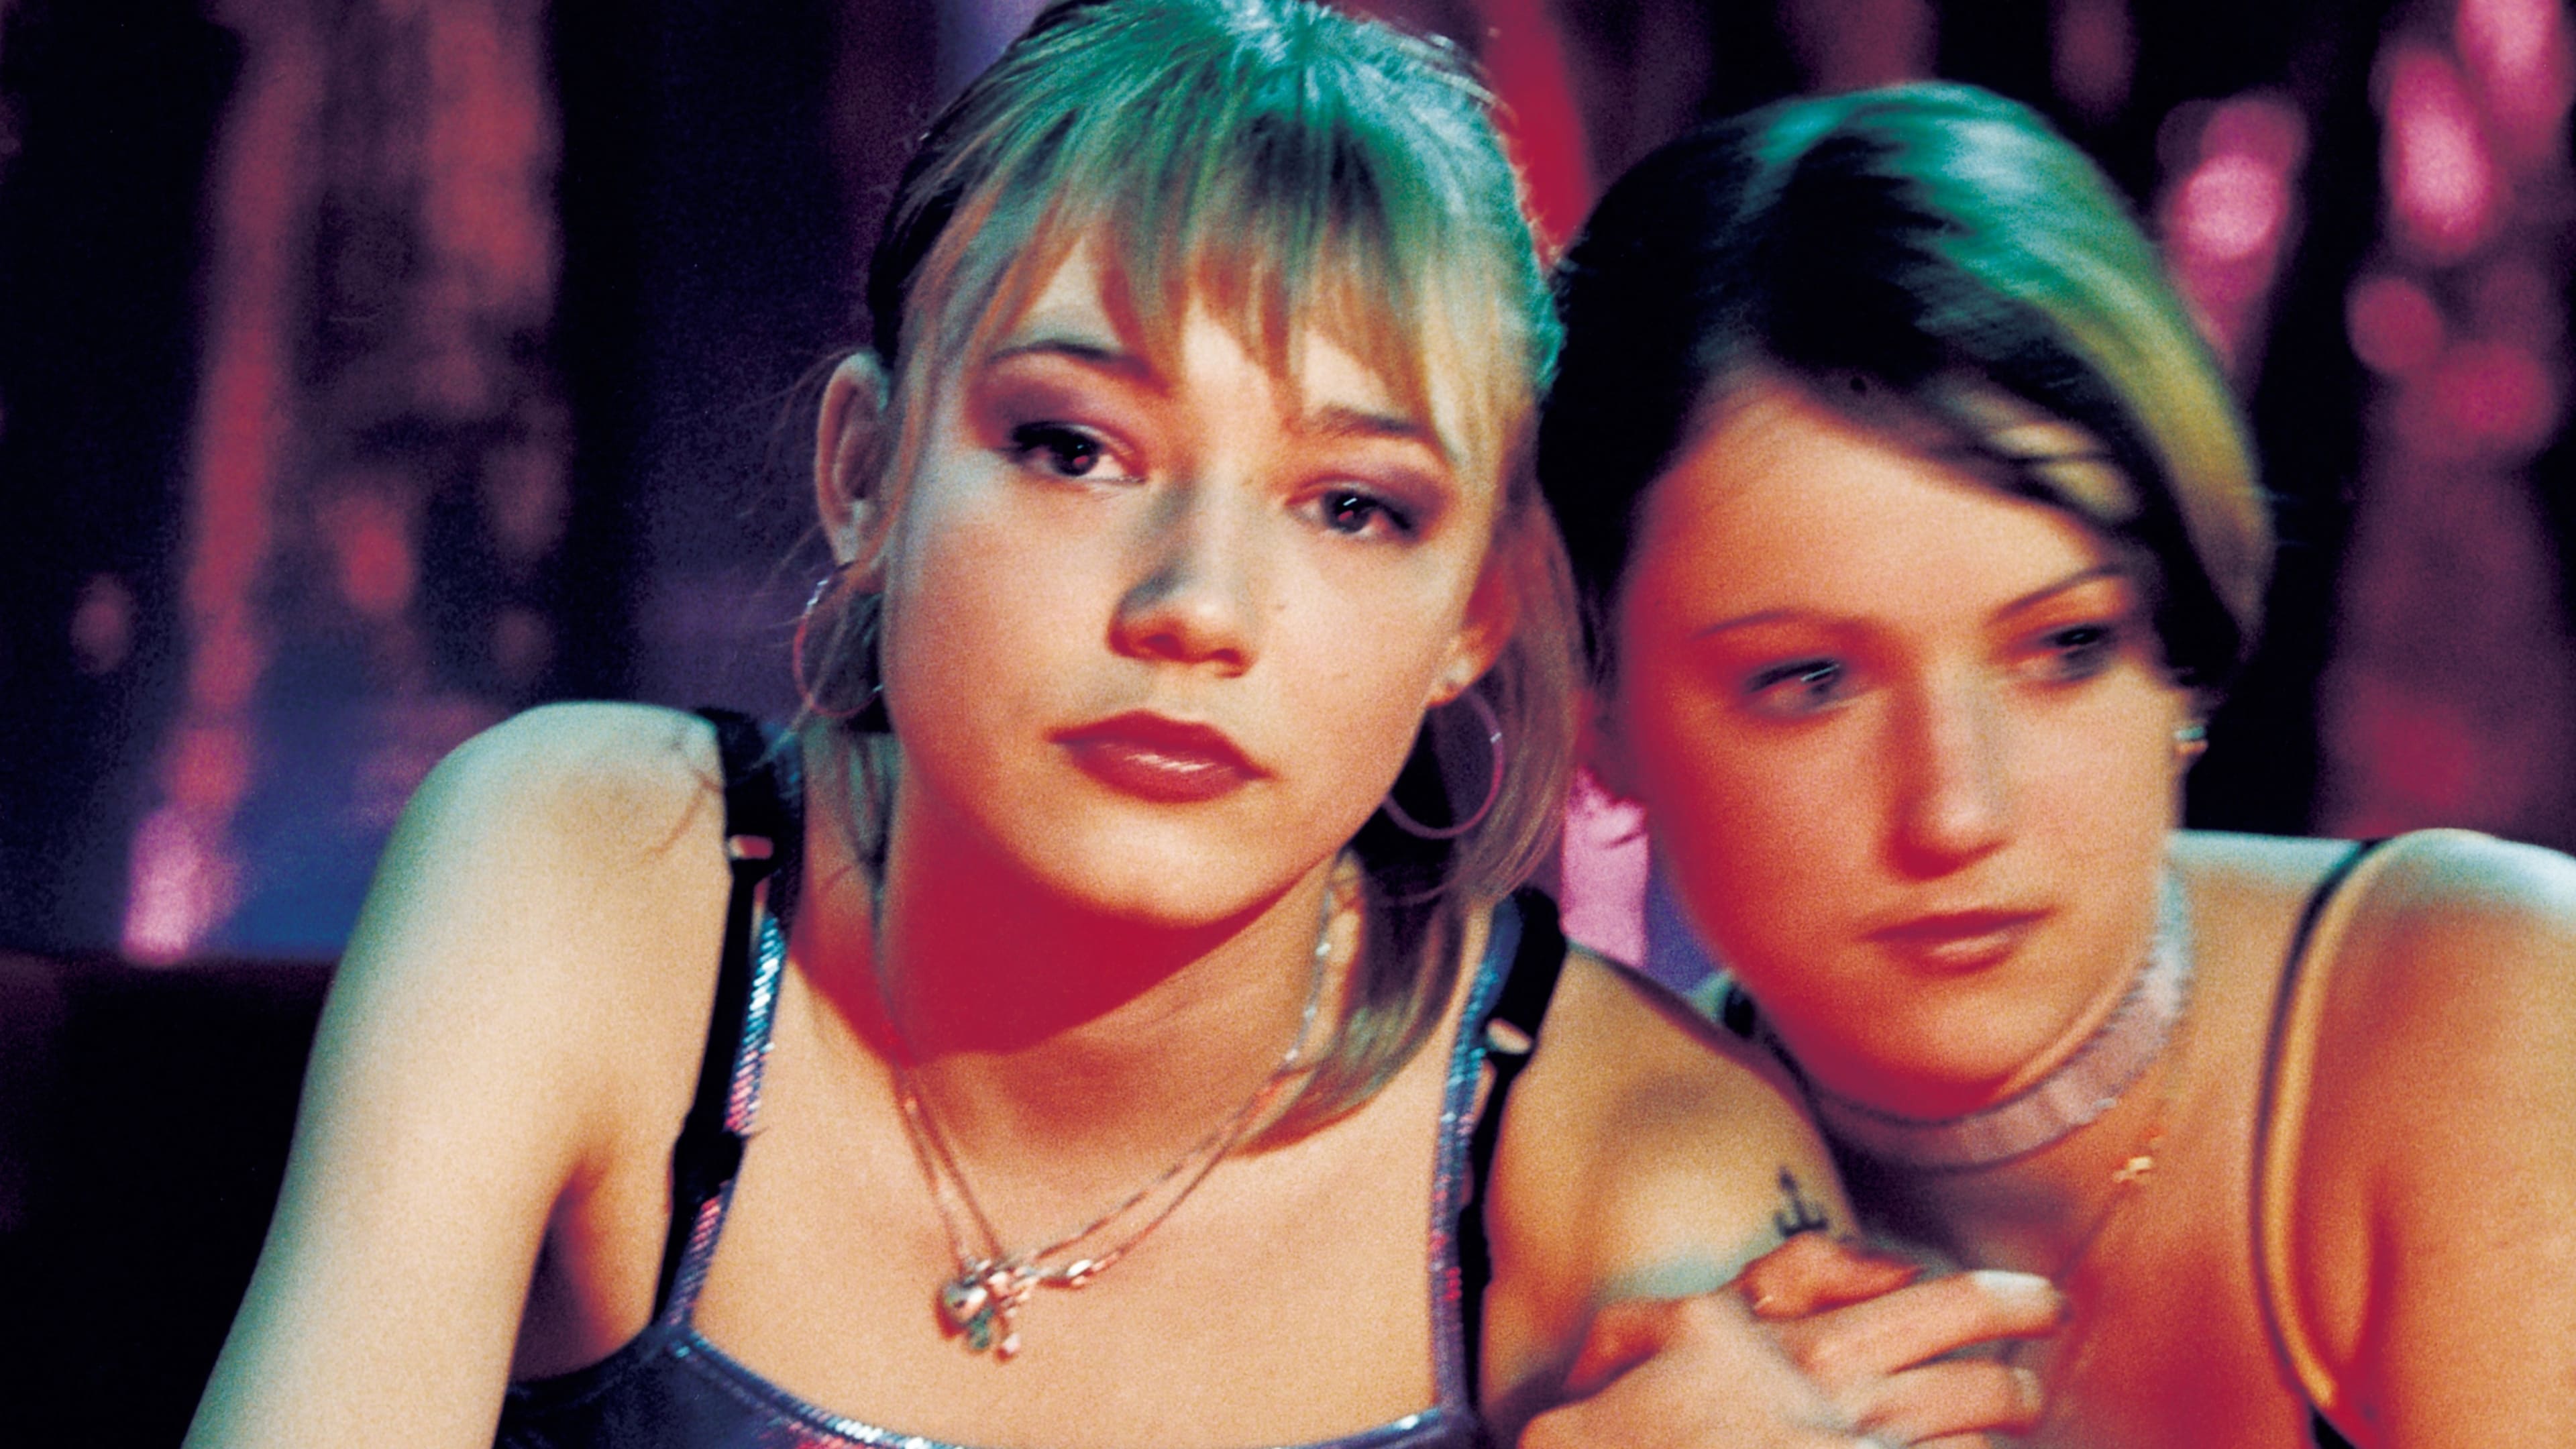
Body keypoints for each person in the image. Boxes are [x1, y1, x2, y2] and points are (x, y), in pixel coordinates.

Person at [184, 8, 2052, 1448]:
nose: (1197, 607)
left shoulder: (1624, 1150)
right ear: (869, 472)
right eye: (1074, 447)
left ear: (1479, 613)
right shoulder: (599, 875)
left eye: (1354, 506)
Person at [1537, 80, 2576, 1448]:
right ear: (1597, 712)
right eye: (1810, 682)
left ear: (2179, 660)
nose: (1957, 812)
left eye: (2065, 647)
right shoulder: (1579, 1170)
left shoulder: (2494, 998)